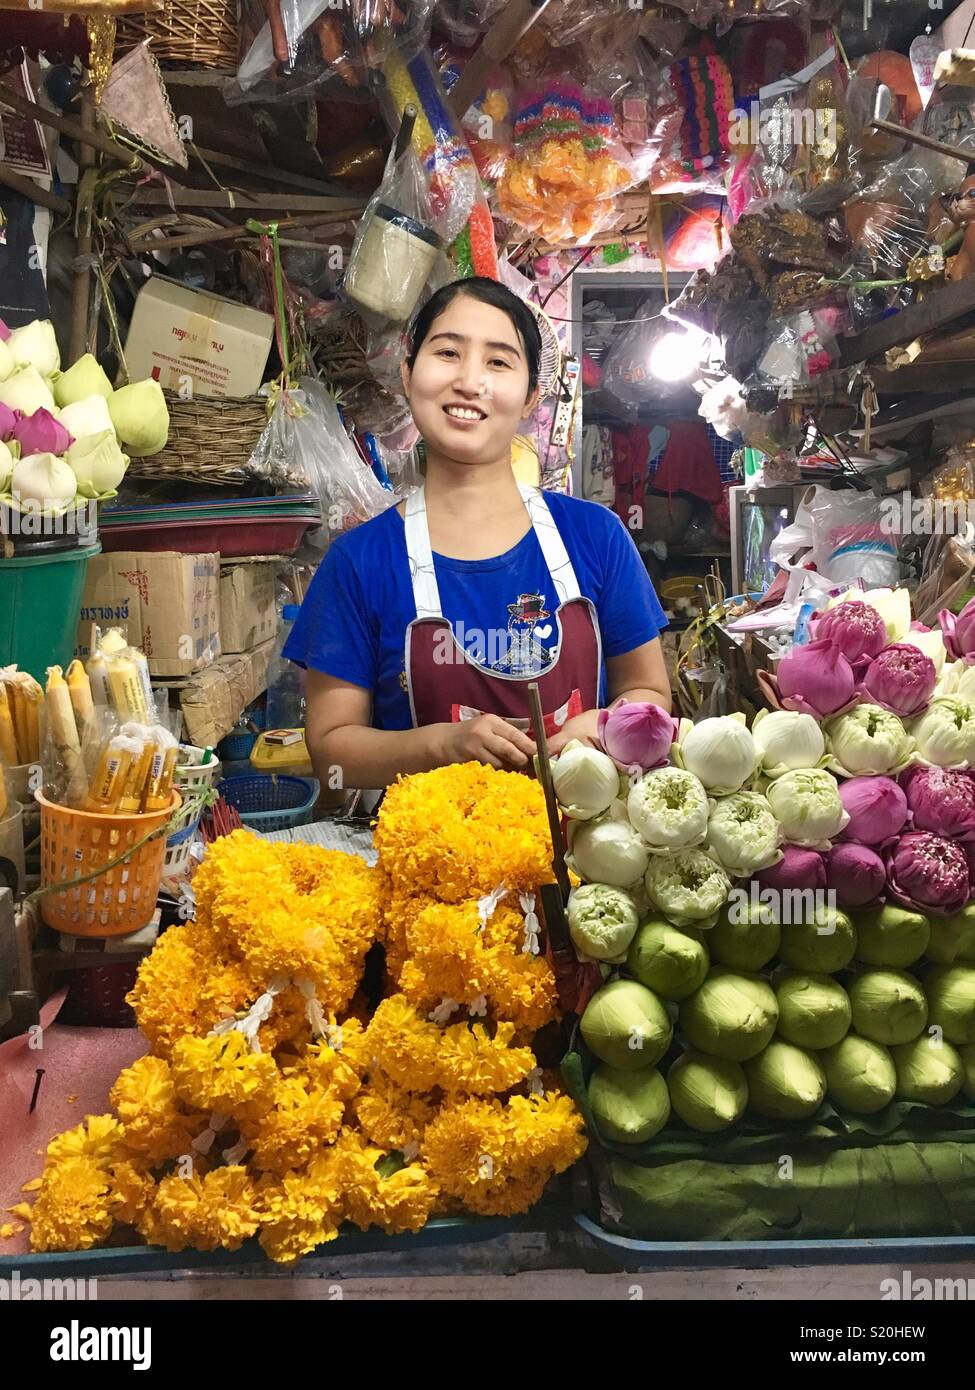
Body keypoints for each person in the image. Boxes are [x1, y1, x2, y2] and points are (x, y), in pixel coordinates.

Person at [285, 276, 671, 790]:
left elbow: (649, 691)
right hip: (429, 858)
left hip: (585, 856)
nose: (470, 381)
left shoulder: (596, 536)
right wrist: (443, 745)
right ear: (407, 373)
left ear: (532, 395)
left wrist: (599, 727)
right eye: (447, 353)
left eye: (498, 361)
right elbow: (331, 751)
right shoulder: (359, 561)